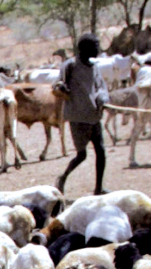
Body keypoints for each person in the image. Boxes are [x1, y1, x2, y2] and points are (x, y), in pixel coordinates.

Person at [54, 34, 109, 196]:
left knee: (101, 151)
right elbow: (57, 84)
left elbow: (101, 87)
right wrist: (61, 88)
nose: (98, 49)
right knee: (82, 155)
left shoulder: (94, 67)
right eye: (95, 46)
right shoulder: (70, 66)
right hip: (78, 117)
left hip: (94, 116)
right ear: (84, 48)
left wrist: (102, 98)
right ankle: (62, 178)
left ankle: (99, 188)